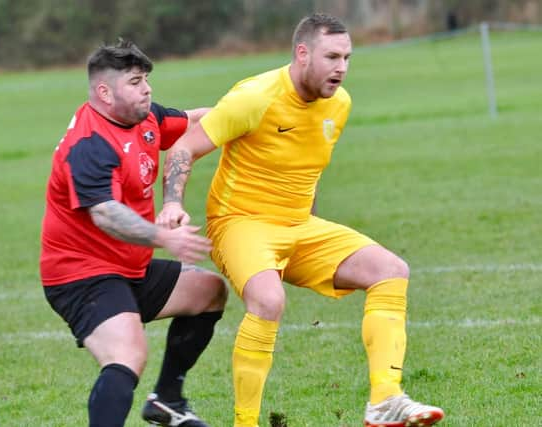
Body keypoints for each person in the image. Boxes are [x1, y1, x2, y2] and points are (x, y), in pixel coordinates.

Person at [158, 13, 445, 427]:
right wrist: (171, 204)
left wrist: (304, 234)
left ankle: (385, 399)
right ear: (302, 53)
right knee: (269, 301)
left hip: (297, 225)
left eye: (347, 57)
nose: (341, 68)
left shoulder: (340, 104)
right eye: (332, 56)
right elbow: (184, 147)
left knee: (391, 270)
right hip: (239, 223)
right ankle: (246, 422)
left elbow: (306, 169)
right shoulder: (255, 96)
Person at [40, 39, 228, 427]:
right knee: (127, 355)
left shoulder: (143, 119)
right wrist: (164, 238)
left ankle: (168, 402)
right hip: (80, 275)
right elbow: (105, 214)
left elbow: (196, 121)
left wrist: (249, 114)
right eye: (136, 81)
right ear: (105, 92)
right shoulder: (89, 144)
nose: (148, 89)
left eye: (147, 80)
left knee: (209, 291)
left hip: (128, 268)